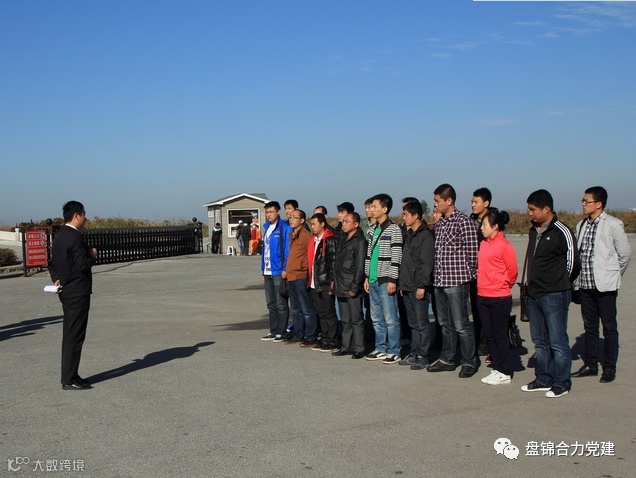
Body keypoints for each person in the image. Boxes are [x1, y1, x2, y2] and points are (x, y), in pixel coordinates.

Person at [522, 189, 580, 398]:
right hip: (534, 294)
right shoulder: (533, 230)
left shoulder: (561, 231)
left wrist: (560, 282)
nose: (530, 213)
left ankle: (561, 383)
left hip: (555, 294)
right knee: (540, 341)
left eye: (533, 209)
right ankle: (543, 379)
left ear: (546, 209)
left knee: (557, 341)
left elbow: (573, 264)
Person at [572, 186, 631, 383]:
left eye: (586, 201)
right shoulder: (581, 225)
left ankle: (609, 367)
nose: (583, 204)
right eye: (583, 200)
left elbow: (625, 254)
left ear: (599, 204)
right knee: (590, 327)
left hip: (605, 286)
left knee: (609, 327)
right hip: (585, 286)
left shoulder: (613, 224)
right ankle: (591, 364)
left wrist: (613, 274)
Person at [428, 184, 479, 378]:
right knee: (444, 324)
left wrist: (468, 276)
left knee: (461, 324)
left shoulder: (463, 222)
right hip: (440, 281)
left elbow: (473, 253)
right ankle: (447, 359)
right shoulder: (440, 223)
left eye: (437, 201)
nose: (435, 204)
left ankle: (468, 361)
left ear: (449, 201)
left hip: (456, 281)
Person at [48, 201, 98, 390]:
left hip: (66, 290)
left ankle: (71, 375)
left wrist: (56, 278)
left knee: (71, 334)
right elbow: (82, 264)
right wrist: (92, 255)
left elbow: (52, 263)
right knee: (75, 336)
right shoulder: (75, 237)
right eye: (84, 214)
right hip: (77, 292)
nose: (85, 218)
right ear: (77, 215)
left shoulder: (60, 236)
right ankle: (69, 379)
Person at [476, 209, 518, 385]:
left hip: (499, 297)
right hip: (482, 295)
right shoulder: (484, 243)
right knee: (490, 335)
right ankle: (497, 366)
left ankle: (505, 370)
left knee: (500, 335)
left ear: (495, 226)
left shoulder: (504, 245)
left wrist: (501, 284)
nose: (481, 228)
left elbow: (512, 271)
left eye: (484, 225)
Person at [364, 193, 403, 364]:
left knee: (390, 318)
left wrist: (392, 279)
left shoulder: (394, 229)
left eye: (375, 206)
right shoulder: (373, 229)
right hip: (373, 280)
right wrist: (367, 276)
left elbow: (396, 256)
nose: (371, 209)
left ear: (385, 209)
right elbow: (369, 255)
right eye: (371, 206)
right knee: (376, 317)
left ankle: (394, 350)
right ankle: (380, 347)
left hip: (385, 280)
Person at [398, 201, 435, 370]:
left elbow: (426, 263)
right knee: (413, 323)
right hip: (407, 285)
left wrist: (422, 286)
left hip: (417, 286)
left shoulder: (425, 236)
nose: (403, 217)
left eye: (406, 214)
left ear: (416, 215)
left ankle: (423, 355)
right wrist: (402, 285)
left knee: (422, 323)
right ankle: (414, 352)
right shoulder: (409, 234)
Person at [333, 212, 367, 359]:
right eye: (343, 221)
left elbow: (360, 267)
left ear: (356, 224)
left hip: (351, 286)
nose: (344, 224)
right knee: (345, 319)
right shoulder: (343, 238)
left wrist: (354, 287)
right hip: (340, 285)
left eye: (347, 221)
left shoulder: (360, 241)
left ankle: (359, 348)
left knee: (356, 319)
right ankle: (346, 346)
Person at [283, 209, 318, 347]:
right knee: (296, 309)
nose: (291, 219)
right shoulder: (292, 235)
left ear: (302, 220)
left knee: (306, 309)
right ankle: (298, 334)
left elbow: (310, 256)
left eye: (295, 217)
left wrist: (303, 267)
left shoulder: (306, 236)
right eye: (290, 217)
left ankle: (311, 336)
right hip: (291, 276)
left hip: (301, 276)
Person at [260, 201, 292, 342]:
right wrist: (263, 269)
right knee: (271, 304)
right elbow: (264, 250)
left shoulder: (284, 227)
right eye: (267, 212)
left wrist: (285, 268)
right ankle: (273, 331)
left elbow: (287, 250)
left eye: (271, 212)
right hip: (268, 270)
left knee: (280, 303)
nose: (269, 215)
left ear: (278, 212)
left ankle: (281, 331)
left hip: (278, 270)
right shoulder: (266, 228)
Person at [307, 213, 339, 352]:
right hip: (314, 282)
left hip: (325, 282)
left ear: (322, 224)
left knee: (329, 312)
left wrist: (332, 281)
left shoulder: (329, 239)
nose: (312, 227)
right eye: (311, 224)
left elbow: (332, 262)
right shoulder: (313, 240)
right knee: (321, 313)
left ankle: (332, 340)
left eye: (314, 224)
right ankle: (324, 338)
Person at [470, 187, 492, 361]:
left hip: (489, 275)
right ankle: (480, 344)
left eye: (476, 202)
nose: (473, 205)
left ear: (486, 203)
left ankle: (491, 347)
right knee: (476, 311)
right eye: (472, 201)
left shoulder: (493, 221)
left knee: (490, 314)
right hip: (474, 275)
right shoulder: (470, 221)